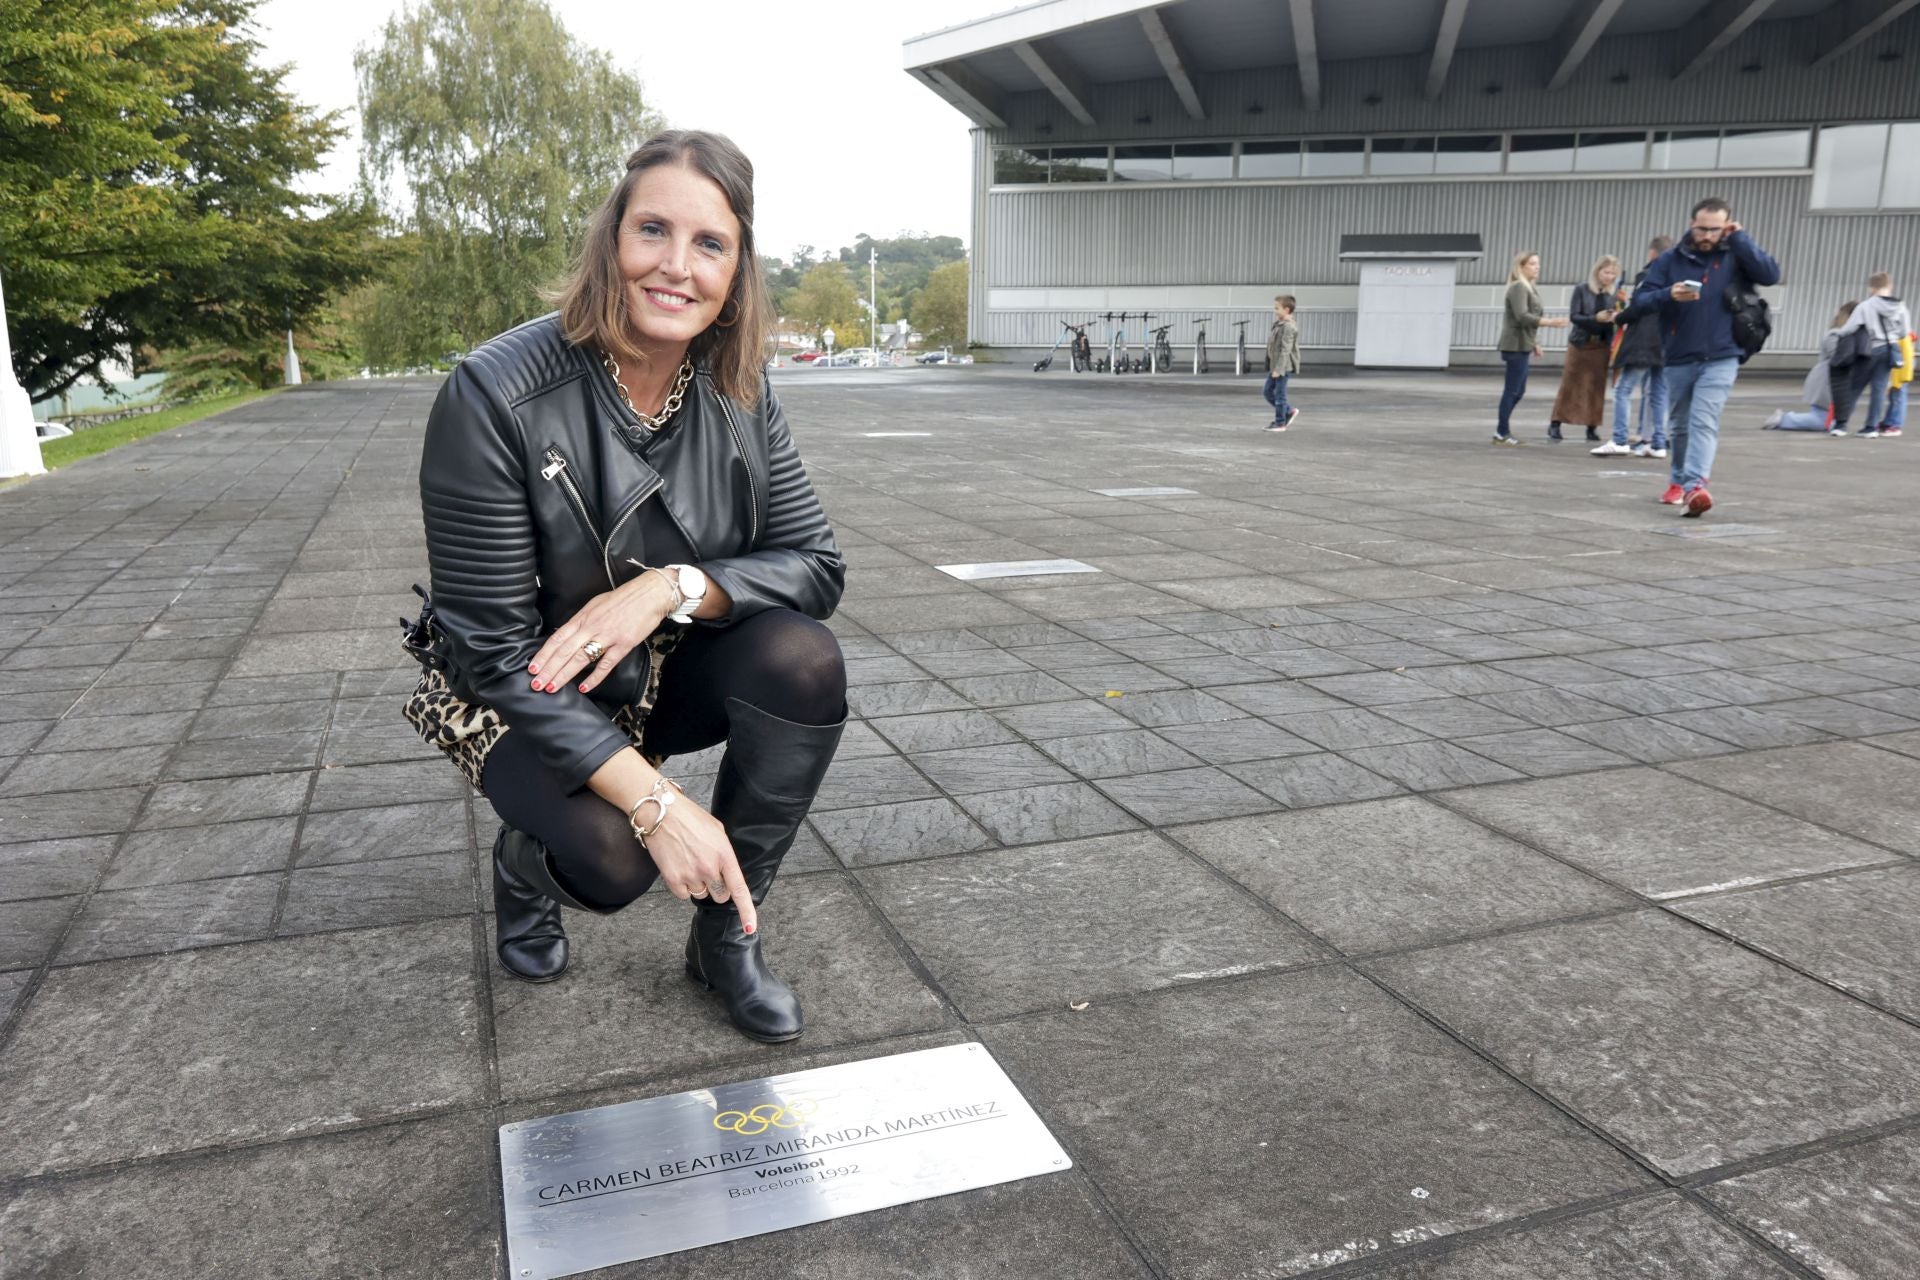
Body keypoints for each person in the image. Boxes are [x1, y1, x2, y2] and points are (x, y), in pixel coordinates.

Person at [404, 130, 847, 1045]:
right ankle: (528, 866)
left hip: (661, 665)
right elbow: (488, 653)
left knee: (804, 661)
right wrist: (661, 804)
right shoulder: (493, 393)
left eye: (710, 244)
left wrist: (670, 587)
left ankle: (727, 941)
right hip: (525, 690)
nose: (676, 267)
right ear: (613, 238)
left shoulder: (741, 386)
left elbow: (817, 566)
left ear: (738, 268)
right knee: (614, 861)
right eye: (653, 231)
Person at [1631, 196, 1782, 516]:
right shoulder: (1671, 259)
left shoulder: (1736, 255)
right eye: (1702, 229)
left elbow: (1770, 274)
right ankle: (1679, 480)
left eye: (1716, 230)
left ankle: (1695, 486)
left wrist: (1741, 238)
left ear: (1727, 227)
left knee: (1703, 420)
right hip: (1679, 355)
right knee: (1680, 425)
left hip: (1722, 354)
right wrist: (1667, 294)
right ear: (1691, 225)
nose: (1708, 236)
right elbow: (1640, 300)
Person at [1593, 236, 1671, 458]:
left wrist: (1619, 317)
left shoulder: (1648, 276)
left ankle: (1619, 439)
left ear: (1652, 253)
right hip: (1665, 341)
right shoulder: (1676, 278)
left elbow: (1639, 307)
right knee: (1658, 392)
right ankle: (1657, 443)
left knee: (1623, 389)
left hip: (1643, 341)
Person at [1495, 251, 1570, 445]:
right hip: (1514, 345)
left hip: (1524, 344)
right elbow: (1522, 316)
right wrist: (1550, 322)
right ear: (1521, 267)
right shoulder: (1519, 287)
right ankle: (1501, 432)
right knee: (1512, 390)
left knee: (1519, 391)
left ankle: (1502, 430)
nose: (1537, 267)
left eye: (1538, 263)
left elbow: (1528, 319)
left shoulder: (1530, 288)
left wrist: (1535, 343)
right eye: (1532, 264)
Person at [1547, 255, 1622, 443]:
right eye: (1606, 272)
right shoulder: (1582, 289)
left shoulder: (1614, 294)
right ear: (1597, 271)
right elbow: (1575, 316)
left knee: (1596, 387)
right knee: (1570, 384)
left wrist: (1617, 315)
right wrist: (1595, 318)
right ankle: (1556, 423)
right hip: (1580, 343)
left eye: (1613, 273)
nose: (1609, 276)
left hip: (1601, 345)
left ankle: (1592, 426)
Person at [1832, 272, 1911, 438]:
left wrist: (1837, 333)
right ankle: (1871, 428)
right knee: (1879, 390)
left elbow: (1850, 328)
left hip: (1870, 349)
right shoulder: (1901, 306)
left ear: (1871, 288)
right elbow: (1904, 332)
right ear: (1890, 286)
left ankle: (1841, 425)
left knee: (1854, 387)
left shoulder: (1866, 306)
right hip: (1890, 351)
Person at [1763, 301, 1854, 432]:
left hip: (1832, 384)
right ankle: (1784, 419)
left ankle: (1784, 419)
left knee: (1829, 423)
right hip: (1824, 384)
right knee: (1822, 422)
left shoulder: (1841, 335)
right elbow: (1839, 358)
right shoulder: (1834, 335)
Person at [1264, 294, 1301, 431]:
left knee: (1280, 395)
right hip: (1275, 365)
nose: (1275, 311)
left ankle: (1280, 423)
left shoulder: (1289, 327)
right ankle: (1289, 411)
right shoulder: (1279, 324)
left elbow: (1286, 349)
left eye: (1277, 308)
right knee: (1267, 392)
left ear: (1286, 310)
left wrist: (1279, 369)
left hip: (1282, 367)